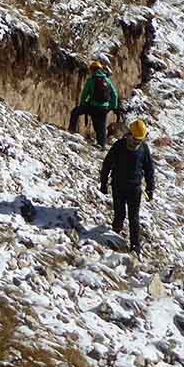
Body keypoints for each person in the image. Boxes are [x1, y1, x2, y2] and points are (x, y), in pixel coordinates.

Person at [100, 119, 155, 255]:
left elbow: (149, 169)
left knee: (134, 217)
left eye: (140, 140)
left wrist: (150, 188)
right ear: (129, 134)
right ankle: (114, 238)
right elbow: (107, 164)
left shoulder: (144, 149)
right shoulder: (118, 146)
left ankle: (135, 246)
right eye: (135, 139)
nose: (137, 142)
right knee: (119, 215)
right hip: (118, 186)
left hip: (135, 189)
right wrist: (103, 184)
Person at [67, 61, 121, 148]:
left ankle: (71, 131)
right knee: (101, 127)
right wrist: (112, 107)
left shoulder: (91, 80)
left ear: (92, 70)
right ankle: (102, 145)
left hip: (92, 107)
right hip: (104, 108)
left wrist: (82, 105)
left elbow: (85, 94)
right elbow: (114, 94)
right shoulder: (107, 80)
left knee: (75, 112)